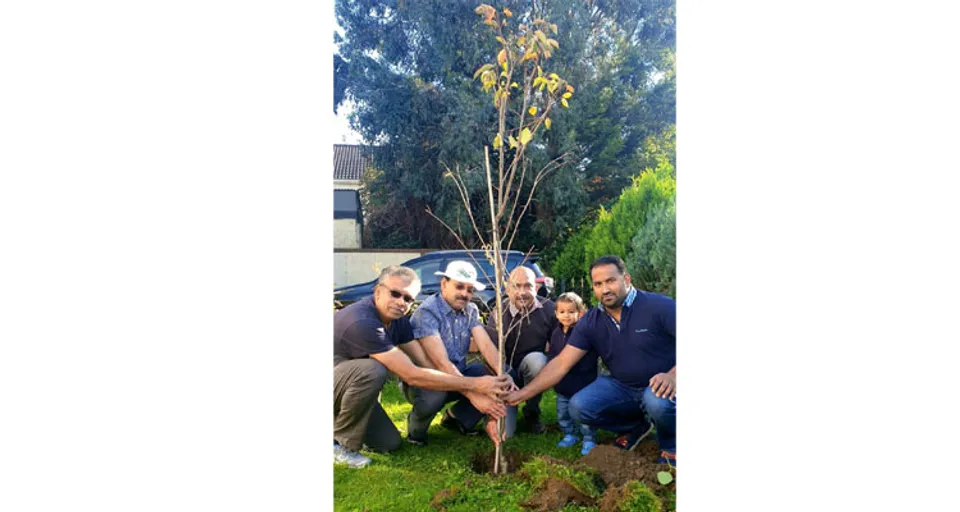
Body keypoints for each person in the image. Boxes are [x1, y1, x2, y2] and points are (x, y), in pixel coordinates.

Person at [333, 265, 512, 469]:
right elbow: (412, 375)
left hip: (348, 393)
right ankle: (340, 445)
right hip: (334, 385)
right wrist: (475, 388)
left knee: (389, 443)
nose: (401, 302)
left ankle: (340, 422)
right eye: (395, 294)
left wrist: (499, 377)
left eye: (408, 299)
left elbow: (425, 364)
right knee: (373, 370)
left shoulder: (399, 321)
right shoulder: (363, 322)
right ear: (378, 292)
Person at [504, 255, 677, 465]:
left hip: (663, 385)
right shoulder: (592, 321)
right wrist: (522, 394)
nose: (605, 289)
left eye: (611, 281)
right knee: (579, 406)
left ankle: (671, 444)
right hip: (623, 386)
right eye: (598, 284)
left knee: (657, 401)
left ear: (627, 279)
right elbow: (561, 363)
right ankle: (634, 427)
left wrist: (673, 375)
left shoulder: (658, 306)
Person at [404, 260, 514, 446]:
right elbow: (441, 364)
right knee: (436, 395)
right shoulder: (427, 313)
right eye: (459, 286)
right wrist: (475, 395)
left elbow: (486, 346)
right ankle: (416, 431)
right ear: (444, 284)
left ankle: (457, 419)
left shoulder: (471, 309)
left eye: (470, 289)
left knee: (488, 375)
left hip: (459, 375)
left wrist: (503, 376)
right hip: (427, 381)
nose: (465, 294)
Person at [485, 266, 556, 434]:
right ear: (508, 289)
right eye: (517, 286)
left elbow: (559, 343)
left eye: (528, 286)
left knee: (538, 361)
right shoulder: (498, 313)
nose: (522, 292)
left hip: (532, 370)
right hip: (504, 372)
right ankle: (488, 412)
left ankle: (532, 413)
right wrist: (504, 378)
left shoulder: (549, 309)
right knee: (505, 434)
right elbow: (491, 353)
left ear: (536, 288)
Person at [548, 292, 599, 455]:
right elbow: (553, 354)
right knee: (563, 412)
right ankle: (570, 434)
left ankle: (589, 438)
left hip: (583, 383)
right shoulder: (555, 333)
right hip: (563, 384)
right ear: (556, 313)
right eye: (562, 312)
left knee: (584, 413)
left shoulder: (584, 332)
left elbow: (590, 355)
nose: (566, 315)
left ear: (580, 313)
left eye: (571, 311)